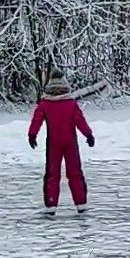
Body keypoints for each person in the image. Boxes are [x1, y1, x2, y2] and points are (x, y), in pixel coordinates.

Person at [27, 68, 95, 216]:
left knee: (52, 174)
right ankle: (81, 203)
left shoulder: (45, 103)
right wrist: (88, 135)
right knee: (75, 172)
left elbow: (37, 120)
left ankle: (51, 205)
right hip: (70, 142)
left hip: (53, 143)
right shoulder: (70, 103)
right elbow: (80, 120)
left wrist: (32, 135)